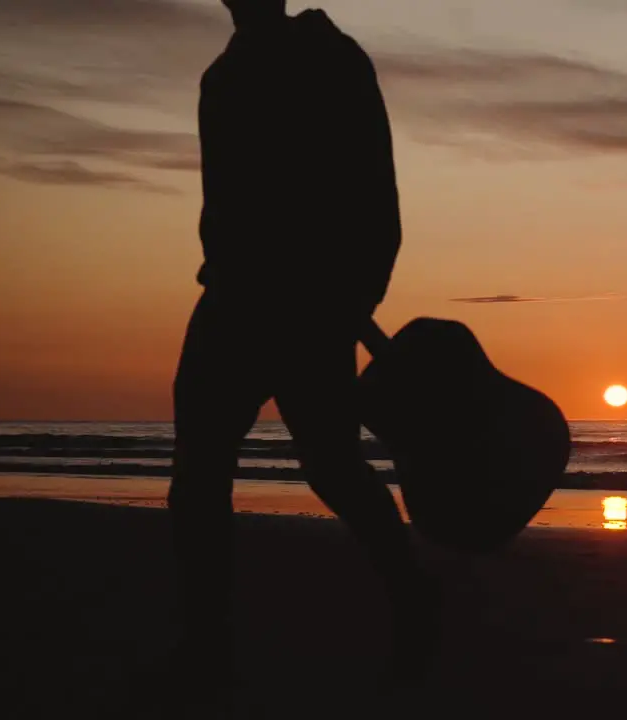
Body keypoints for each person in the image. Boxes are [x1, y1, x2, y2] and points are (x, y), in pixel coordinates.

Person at [165, 0, 431, 704]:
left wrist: (357, 293)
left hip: (309, 308)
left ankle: (412, 604)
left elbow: (377, 188)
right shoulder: (220, 79)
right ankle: (206, 651)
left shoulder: (331, 60)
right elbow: (222, 205)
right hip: (229, 301)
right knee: (197, 479)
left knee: (334, 470)